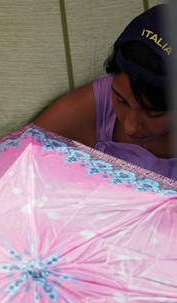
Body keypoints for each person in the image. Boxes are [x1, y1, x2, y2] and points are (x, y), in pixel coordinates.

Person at [34, 4, 174, 179]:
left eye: (153, 114)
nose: (131, 127)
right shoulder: (99, 105)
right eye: (121, 100)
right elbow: (19, 153)